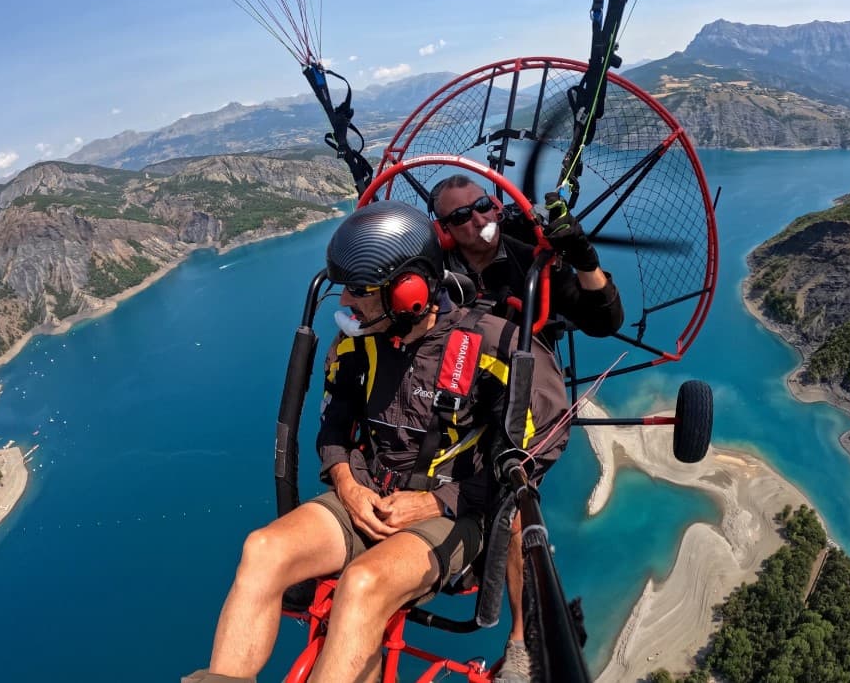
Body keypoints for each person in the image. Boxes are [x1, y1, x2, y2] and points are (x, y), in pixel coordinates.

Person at [197, 200, 571, 683]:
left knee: (364, 584)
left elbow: (529, 459)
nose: (345, 305)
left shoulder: (492, 349)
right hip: (366, 494)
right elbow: (333, 431)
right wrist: (348, 487)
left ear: (409, 291)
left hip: (451, 514)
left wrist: (435, 503)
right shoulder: (357, 347)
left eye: (358, 292)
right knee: (263, 549)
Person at [429, 174, 624, 683]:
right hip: (445, 396)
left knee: (512, 505)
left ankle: (520, 643)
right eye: (459, 217)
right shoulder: (431, 271)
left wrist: (582, 258)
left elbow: (605, 319)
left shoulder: (527, 260)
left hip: (515, 399)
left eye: (483, 205)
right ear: (444, 231)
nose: (478, 219)